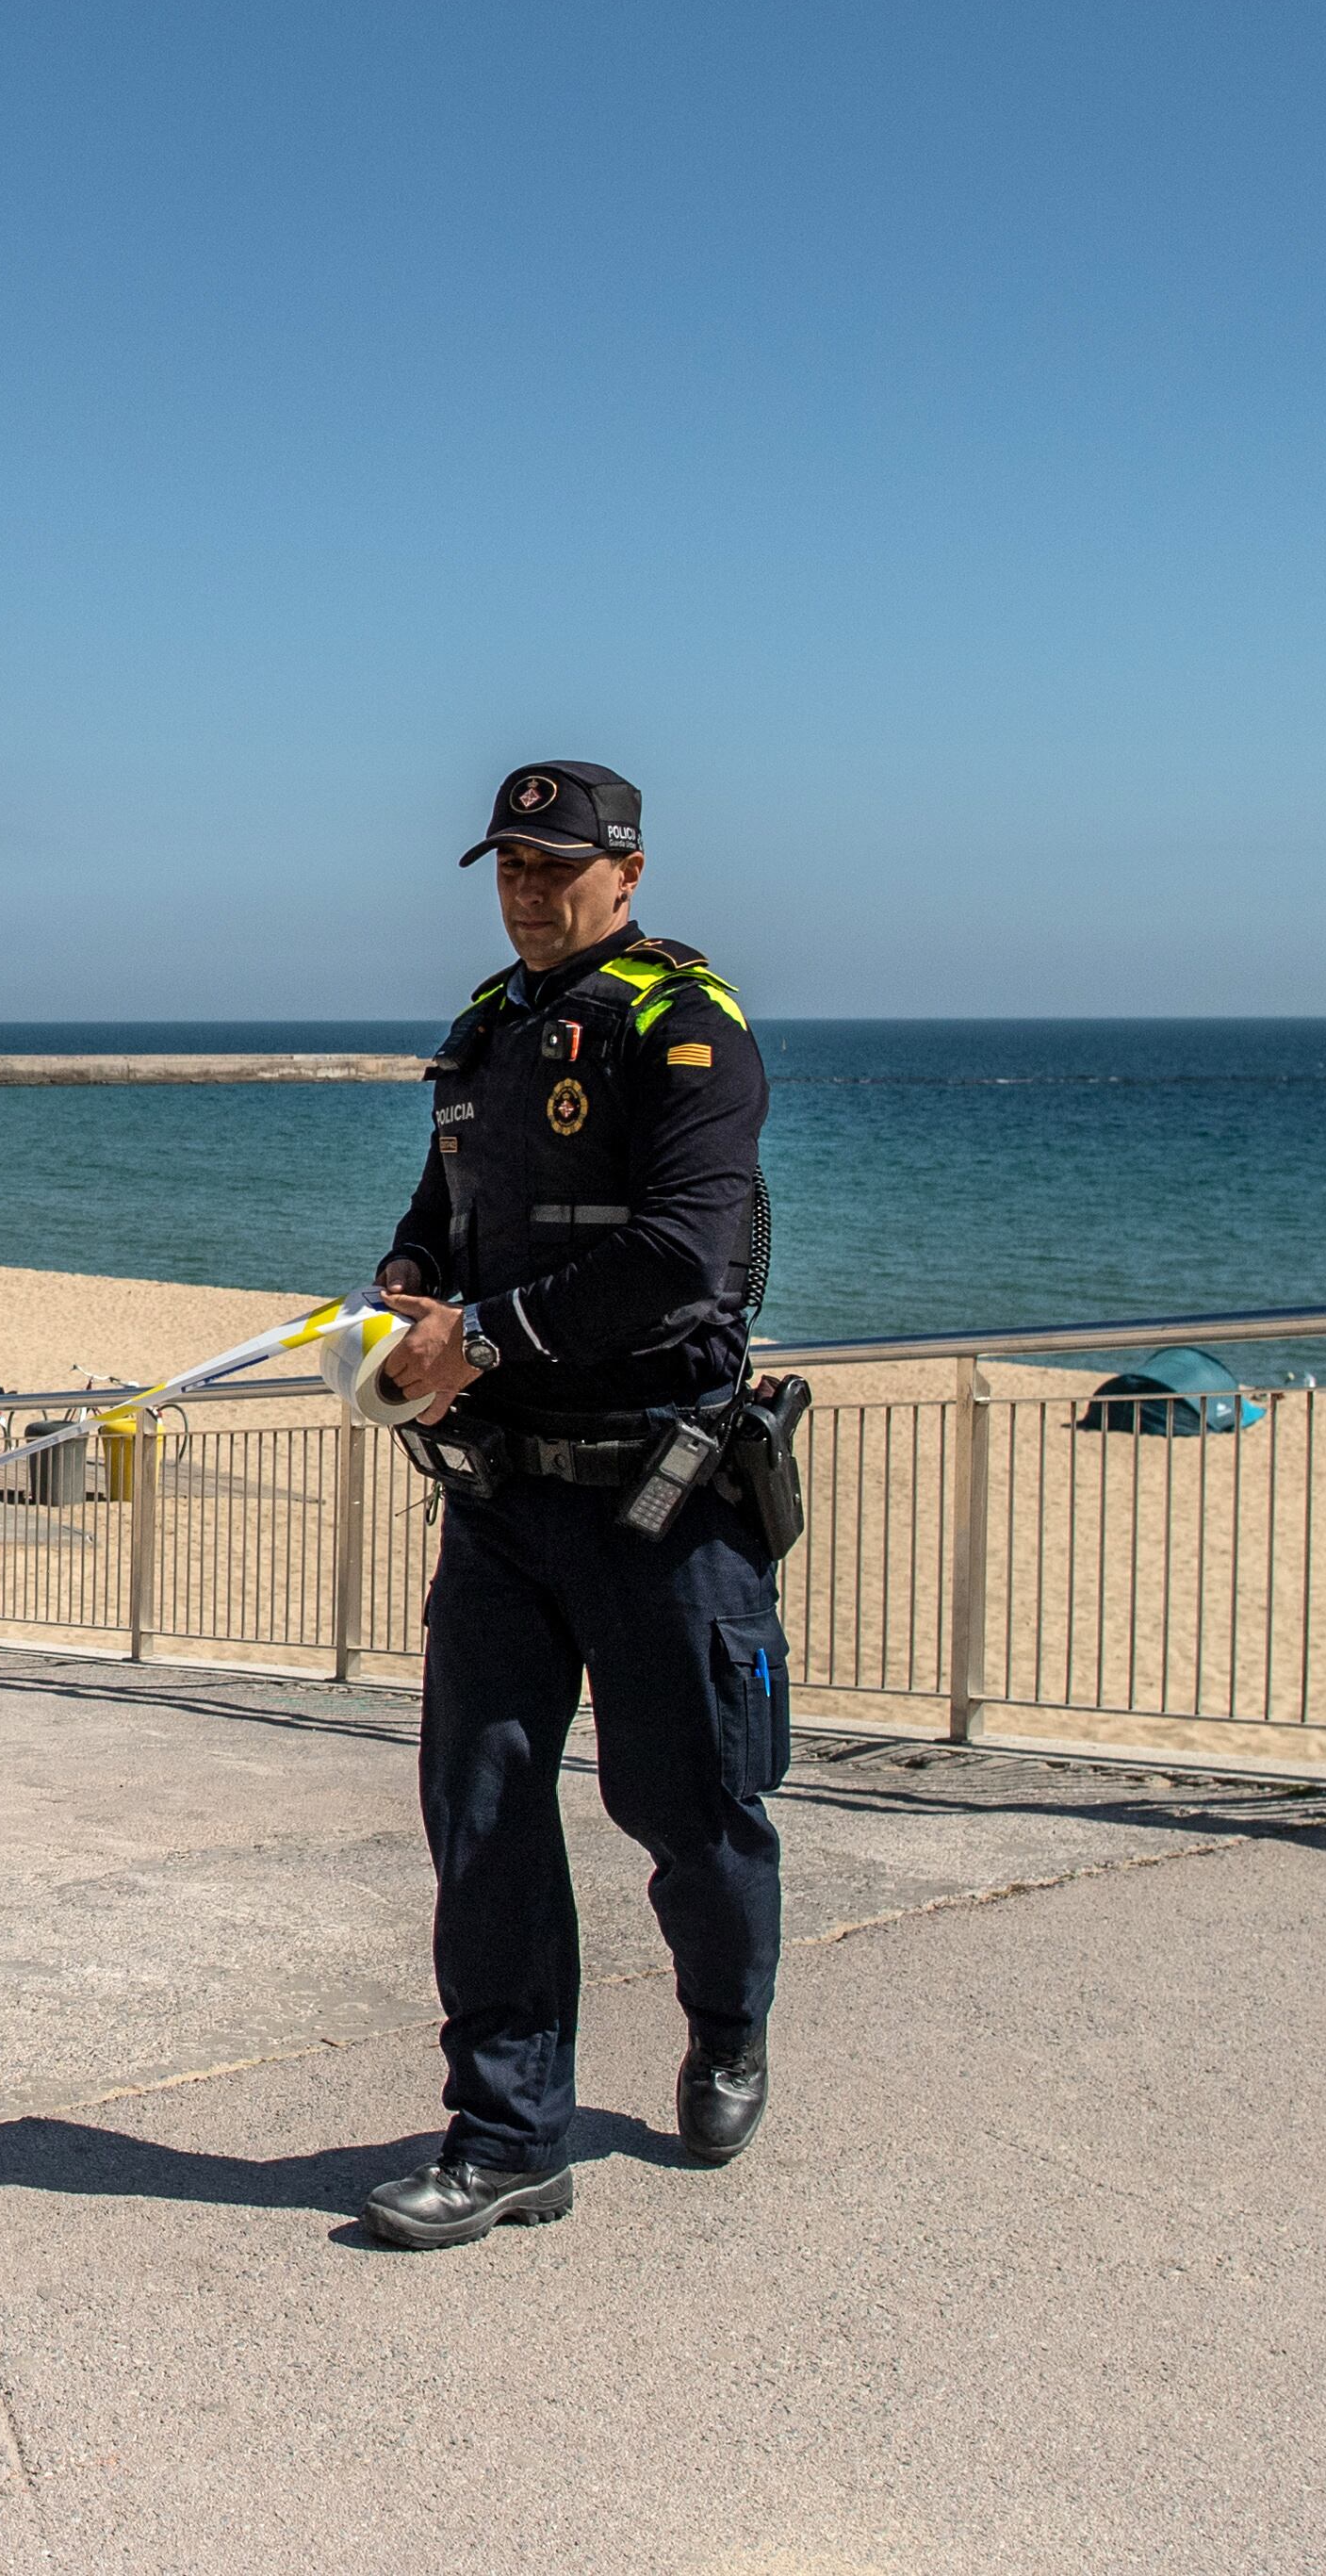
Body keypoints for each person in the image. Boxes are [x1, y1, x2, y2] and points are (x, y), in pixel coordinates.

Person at [357, 760, 782, 2252]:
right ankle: (507, 2134)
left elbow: (677, 1252)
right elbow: (437, 1219)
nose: (528, 889)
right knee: (478, 1813)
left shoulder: (687, 1025)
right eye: (508, 866)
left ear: (630, 870)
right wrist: (406, 1289)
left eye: (554, 864)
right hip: (498, 1498)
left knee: (686, 1806)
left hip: (659, 1494)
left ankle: (727, 2022)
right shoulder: (486, 1028)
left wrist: (475, 1335)